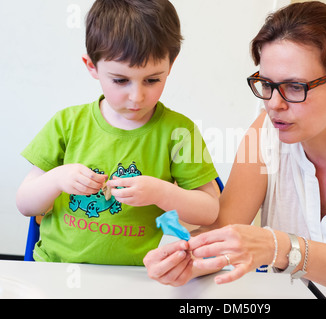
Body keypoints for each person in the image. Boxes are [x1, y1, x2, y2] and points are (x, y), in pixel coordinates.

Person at [143, 1, 326, 298]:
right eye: (267, 84)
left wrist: (280, 247)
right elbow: (225, 228)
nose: (274, 104)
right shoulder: (264, 132)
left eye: (296, 87)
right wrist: (184, 259)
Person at [16, 0, 219, 265]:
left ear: (171, 64)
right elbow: (25, 204)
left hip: (134, 278)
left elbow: (210, 210)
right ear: (92, 67)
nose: (137, 97)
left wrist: (161, 193)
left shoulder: (180, 132)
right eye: (121, 80)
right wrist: (58, 179)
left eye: (152, 79)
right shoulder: (67, 123)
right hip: (55, 268)